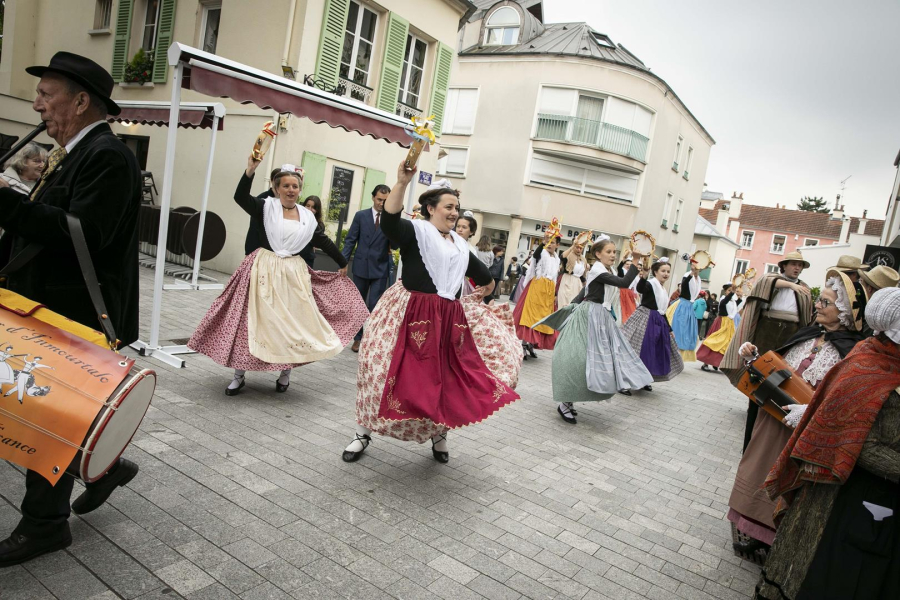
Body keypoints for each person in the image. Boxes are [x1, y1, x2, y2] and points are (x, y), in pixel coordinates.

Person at [0, 52, 141, 566]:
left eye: (46, 94)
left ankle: (45, 526)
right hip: (51, 304)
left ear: (81, 102)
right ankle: (108, 466)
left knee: (47, 418)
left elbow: (84, 235)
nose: (37, 104)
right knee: (54, 412)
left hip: (75, 311)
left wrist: (7, 202)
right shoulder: (78, 150)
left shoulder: (107, 154)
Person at [341, 162, 520, 464]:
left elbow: (482, 274)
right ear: (430, 207)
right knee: (381, 372)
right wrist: (401, 182)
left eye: (457, 208)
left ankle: (439, 435)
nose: (455, 213)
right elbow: (390, 222)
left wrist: (488, 285)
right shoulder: (416, 231)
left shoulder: (461, 245)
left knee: (445, 379)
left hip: (447, 319)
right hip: (407, 314)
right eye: (449, 207)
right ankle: (362, 432)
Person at [755, 287, 900, 600]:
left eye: (827, 302)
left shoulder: (868, 354)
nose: (820, 306)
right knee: (819, 570)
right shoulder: (869, 362)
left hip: (843, 486)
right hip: (843, 493)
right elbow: (859, 440)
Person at [188, 159, 368, 396]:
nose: (291, 190)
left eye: (295, 186)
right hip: (262, 269)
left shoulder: (307, 216)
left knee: (291, 324)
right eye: (286, 186)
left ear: (299, 189)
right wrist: (250, 171)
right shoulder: (265, 207)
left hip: (293, 274)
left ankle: (285, 375)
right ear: (276, 188)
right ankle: (238, 375)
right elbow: (240, 197)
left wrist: (343, 261)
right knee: (249, 322)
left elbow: (321, 240)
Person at [728, 269, 866, 560]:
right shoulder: (809, 334)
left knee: (785, 483)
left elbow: (842, 399)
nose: (817, 305)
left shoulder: (850, 351)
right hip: (772, 422)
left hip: (801, 430)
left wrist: (811, 411)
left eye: (825, 303)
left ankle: (775, 541)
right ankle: (755, 534)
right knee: (758, 471)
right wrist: (755, 359)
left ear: (843, 314)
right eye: (819, 300)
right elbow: (781, 371)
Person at [539, 236, 653, 424]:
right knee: (578, 358)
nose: (612, 255)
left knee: (596, 360)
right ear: (598, 254)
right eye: (608, 252)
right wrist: (635, 260)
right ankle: (565, 402)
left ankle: (570, 400)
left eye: (614, 252)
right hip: (589, 315)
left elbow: (586, 290)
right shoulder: (599, 270)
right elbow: (623, 283)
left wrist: (572, 305)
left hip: (601, 317)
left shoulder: (604, 269)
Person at [721, 251, 813, 450]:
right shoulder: (773, 279)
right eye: (793, 264)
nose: (797, 268)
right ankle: (754, 411)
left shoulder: (804, 289)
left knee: (784, 377)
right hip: (768, 330)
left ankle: (779, 413)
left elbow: (806, 315)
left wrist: (797, 288)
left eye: (800, 265)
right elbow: (767, 283)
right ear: (784, 265)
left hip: (791, 333)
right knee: (760, 373)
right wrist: (791, 285)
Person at [342, 184, 393, 352]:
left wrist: (396, 227)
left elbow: (397, 244)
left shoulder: (390, 219)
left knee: (374, 305)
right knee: (359, 304)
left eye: (385, 201)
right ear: (373, 197)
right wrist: (343, 262)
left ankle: (369, 339)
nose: (381, 203)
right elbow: (350, 240)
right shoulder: (361, 216)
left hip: (380, 268)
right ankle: (357, 338)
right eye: (379, 199)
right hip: (361, 266)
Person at [621, 257, 684, 384]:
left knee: (653, 353)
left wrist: (669, 329)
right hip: (645, 320)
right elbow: (640, 289)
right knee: (640, 349)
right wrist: (644, 274)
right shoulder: (651, 283)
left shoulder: (663, 289)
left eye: (668, 271)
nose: (666, 274)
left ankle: (644, 380)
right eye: (663, 271)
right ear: (655, 272)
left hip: (658, 322)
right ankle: (626, 381)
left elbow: (662, 311)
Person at [512, 231, 561, 356]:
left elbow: (555, 277)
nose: (550, 244)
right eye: (548, 242)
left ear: (557, 245)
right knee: (530, 316)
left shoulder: (556, 259)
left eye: (552, 242)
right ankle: (523, 343)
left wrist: (555, 294)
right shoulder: (541, 254)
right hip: (537, 287)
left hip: (548, 292)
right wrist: (542, 243)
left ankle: (531, 343)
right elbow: (536, 255)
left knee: (542, 319)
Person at [697, 286, 743, 371]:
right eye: (729, 290)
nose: (731, 292)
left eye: (732, 290)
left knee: (725, 344)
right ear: (725, 291)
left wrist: (740, 296)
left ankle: (716, 362)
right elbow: (723, 304)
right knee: (715, 341)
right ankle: (706, 363)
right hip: (721, 323)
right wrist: (732, 292)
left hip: (729, 324)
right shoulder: (723, 299)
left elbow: (736, 307)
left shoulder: (733, 302)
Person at [666, 260, 703, 361]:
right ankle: (670, 354)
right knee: (678, 329)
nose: (695, 267)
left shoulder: (698, 279)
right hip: (682, 306)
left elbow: (694, 294)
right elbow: (685, 284)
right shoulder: (687, 275)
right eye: (693, 265)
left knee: (687, 333)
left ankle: (678, 357)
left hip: (690, 308)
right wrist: (691, 273)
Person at [244, 167, 281, 255]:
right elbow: (255, 226)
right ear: (271, 181)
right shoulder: (263, 198)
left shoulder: (283, 202)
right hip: (257, 247)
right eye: (277, 180)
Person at [558, 234, 590, 307]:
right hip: (567, 281)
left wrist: (585, 285)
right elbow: (562, 257)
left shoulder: (583, 259)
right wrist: (573, 246)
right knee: (564, 304)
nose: (579, 249)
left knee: (574, 306)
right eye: (577, 247)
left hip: (578, 284)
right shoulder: (569, 255)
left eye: (580, 248)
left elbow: (582, 275)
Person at [298, 194, 323, 267]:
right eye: (308, 206)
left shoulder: (319, 225)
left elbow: (317, 243)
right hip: (292, 257)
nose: (309, 209)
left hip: (307, 259)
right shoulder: (296, 219)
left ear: (317, 210)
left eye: (313, 207)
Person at [616, 257, 639, 324]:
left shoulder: (633, 274)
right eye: (627, 264)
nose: (629, 265)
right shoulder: (622, 271)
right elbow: (619, 268)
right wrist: (623, 260)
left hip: (629, 293)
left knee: (630, 309)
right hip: (621, 292)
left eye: (630, 264)